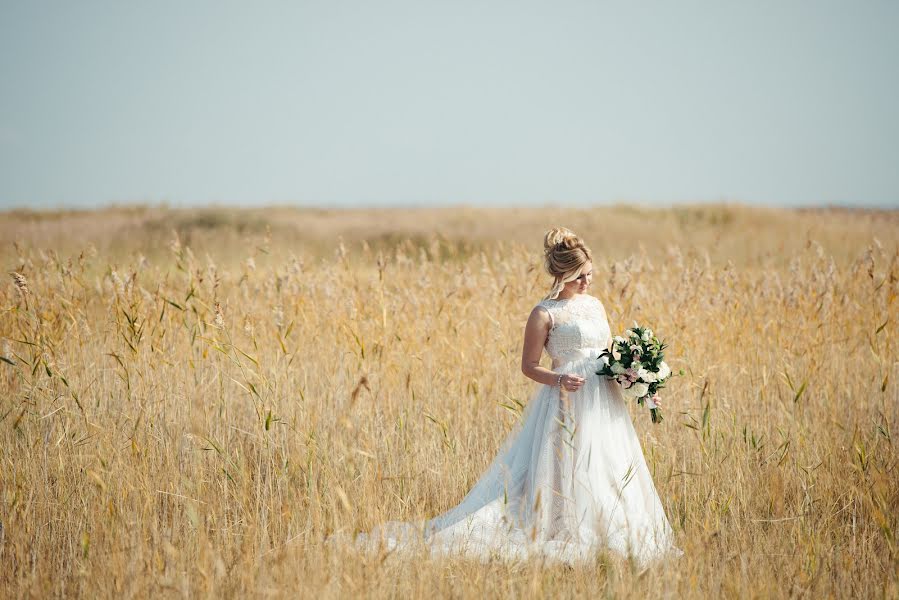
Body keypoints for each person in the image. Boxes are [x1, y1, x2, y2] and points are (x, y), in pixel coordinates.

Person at [331, 227, 680, 566]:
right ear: (561, 275)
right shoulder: (544, 313)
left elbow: (605, 351)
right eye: (579, 277)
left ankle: (611, 526)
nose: (587, 282)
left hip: (603, 400)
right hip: (564, 398)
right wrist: (558, 379)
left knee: (609, 462)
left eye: (589, 274)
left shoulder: (596, 305)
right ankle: (561, 524)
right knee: (565, 465)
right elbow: (528, 367)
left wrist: (631, 373)